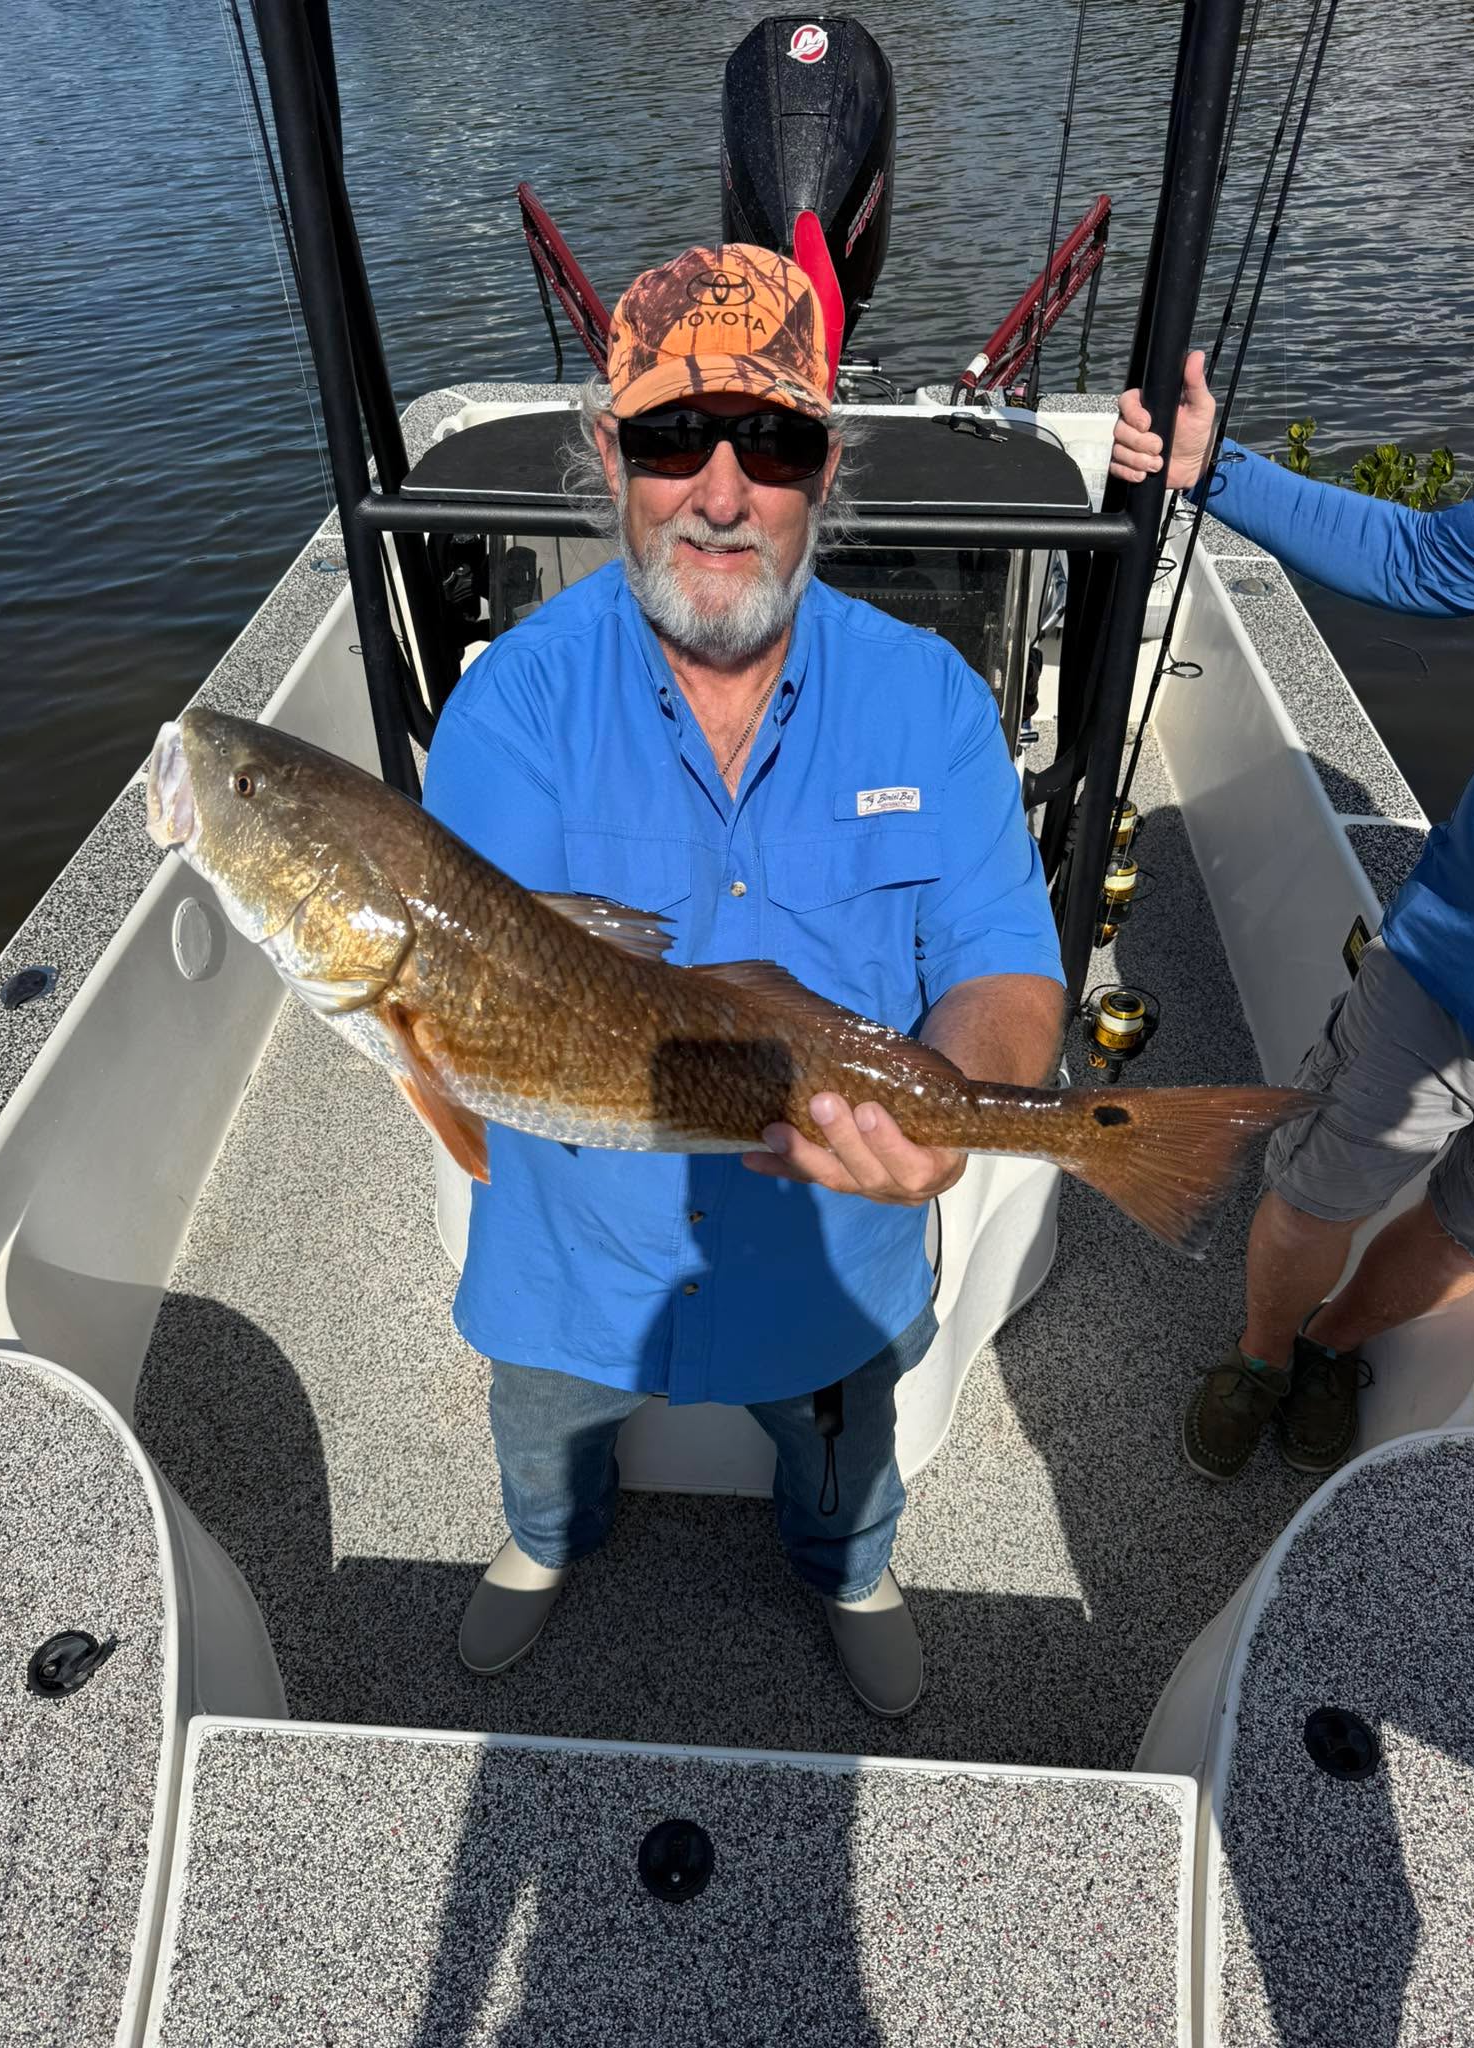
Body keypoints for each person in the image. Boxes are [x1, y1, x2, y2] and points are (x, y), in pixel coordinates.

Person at [423, 244, 1066, 1714]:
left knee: (846, 1451)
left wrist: (953, 1112)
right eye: (673, 438)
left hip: (830, 1261)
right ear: (611, 458)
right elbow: (474, 984)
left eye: (770, 441)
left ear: (824, 471)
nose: (720, 492)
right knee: (543, 1432)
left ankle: (848, 1563)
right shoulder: (513, 702)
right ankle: (546, 1535)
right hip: (574, 1262)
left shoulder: (931, 699)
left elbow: (1006, 966)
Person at [1112, 351, 1474, 1481]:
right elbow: (1418, 558)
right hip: (1457, 965)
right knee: (1318, 1187)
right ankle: (1265, 1354)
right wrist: (1210, 468)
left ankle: (1334, 1343)